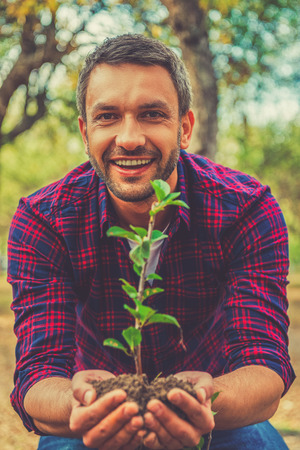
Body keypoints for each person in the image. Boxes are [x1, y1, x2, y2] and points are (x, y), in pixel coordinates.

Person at [7, 34, 295, 450]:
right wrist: (83, 403)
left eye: (152, 114)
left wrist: (206, 399)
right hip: (89, 418)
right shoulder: (44, 219)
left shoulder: (245, 209)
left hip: (218, 412)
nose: (129, 138)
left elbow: (264, 363)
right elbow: (37, 375)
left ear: (184, 128)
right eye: (107, 117)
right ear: (86, 132)